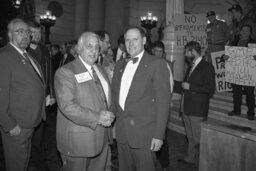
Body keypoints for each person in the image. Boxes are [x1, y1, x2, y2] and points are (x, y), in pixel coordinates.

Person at [111, 26, 171, 171]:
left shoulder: (157, 64)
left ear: (144, 40)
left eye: (135, 39)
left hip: (145, 135)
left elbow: (163, 103)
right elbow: (115, 97)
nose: (131, 43)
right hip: (122, 133)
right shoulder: (120, 64)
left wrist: (158, 135)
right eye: (127, 40)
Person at [54, 32, 115, 171]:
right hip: (79, 141)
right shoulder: (66, 72)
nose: (94, 51)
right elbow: (67, 106)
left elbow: (106, 99)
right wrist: (98, 117)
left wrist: (110, 114)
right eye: (89, 46)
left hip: (102, 136)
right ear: (79, 49)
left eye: (97, 47)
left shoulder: (100, 69)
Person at [0, 18, 45, 171]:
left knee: (23, 161)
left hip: (28, 121)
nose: (25, 35)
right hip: (16, 124)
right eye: (20, 32)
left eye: (27, 32)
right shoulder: (4, 56)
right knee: (16, 164)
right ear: (10, 34)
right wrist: (9, 123)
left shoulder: (26, 56)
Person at [179, 41, 215, 168]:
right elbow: (185, 85)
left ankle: (201, 164)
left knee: (198, 140)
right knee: (190, 137)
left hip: (197, 109)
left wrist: (191, 86)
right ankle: (190, 158)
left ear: (193, 51)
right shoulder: (191, 65)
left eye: (187, 52)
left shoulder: (207, 67)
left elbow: (210, 87)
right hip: (187, 107)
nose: (185, 55)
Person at [27, 20, 54, 171]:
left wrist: (52, 94)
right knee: (30, 134)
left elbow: (50, 72)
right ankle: (36, 162)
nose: (37, 35)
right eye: (33, 32)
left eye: (39, 32)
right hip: (29, 100)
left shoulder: (44, 50)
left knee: (40, 133)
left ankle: (38, 162)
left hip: (45, 99)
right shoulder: (23, 50)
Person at [223, 24, 256, 120]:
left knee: (249, 94)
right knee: (236, 93)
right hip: (236, 73)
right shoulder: (234, 42)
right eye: (243, 30)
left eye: (247, 31)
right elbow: (226, 55)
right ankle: (236, 110)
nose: (245, 32)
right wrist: (225, 57)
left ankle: (251, 113)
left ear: (250, 33)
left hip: (248, 73)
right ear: (240, 31)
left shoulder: (254, 42)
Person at [151, 40, 174, 171]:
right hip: (150, 107)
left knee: (162, 136)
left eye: (160, 51)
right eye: (156, 51)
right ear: (153, 51)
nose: (158, 53)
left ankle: (165, 164)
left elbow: (169, 86)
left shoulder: (167, 65)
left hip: (162, 105)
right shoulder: (148, 64)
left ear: (163, 53)